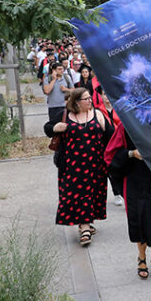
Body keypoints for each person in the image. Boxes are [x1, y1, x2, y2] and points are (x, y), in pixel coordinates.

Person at [105, 119, 151, 279]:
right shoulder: (127, 125)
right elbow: (111, 155)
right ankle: (141, 257)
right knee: (139, 219)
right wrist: (131, 153)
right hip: (134, 178)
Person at [46, 88, 112, 246]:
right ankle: (84, 228)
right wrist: (56, 128)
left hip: (96, 165)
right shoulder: (64, 115)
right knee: (78, 194)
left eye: (90, 98)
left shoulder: (98, 114)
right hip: (72, 166)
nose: (90, 101)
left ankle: (87, 222)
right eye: (86, 99)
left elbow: (112, 137)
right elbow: (47, 128)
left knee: (94, 194)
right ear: (76, 102)